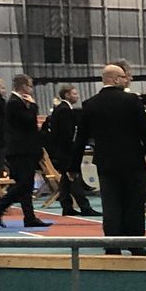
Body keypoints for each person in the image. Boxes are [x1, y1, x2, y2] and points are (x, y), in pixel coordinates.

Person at [79, 63, 146, 256]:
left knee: (111, 205)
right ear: (115, 79)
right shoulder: (131, 100)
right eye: (124, 77)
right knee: (134, 203)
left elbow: (81, 138)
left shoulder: (90, 104)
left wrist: (73, 167)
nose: (126, 80)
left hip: (106, 162)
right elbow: (145, 131)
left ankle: (112, 245)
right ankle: (135, 244)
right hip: (132, 160)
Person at [0, 74, 49, 229]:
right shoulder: (14, 103)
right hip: (21, 150)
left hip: (21, 150)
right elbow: (28, 122)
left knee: (26, 186)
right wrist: (33, 106)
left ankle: (29, 217)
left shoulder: (18, 102)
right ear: (23, 87)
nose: (31, 89)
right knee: (24, 183)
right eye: (30, 86)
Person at [44, 85, 92, 216]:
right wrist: (73, 149)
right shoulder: (64, 110)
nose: (77, 96)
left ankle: (66, 206)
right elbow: (67, 134)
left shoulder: (62, 109)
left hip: (61, 150)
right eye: (74, 94)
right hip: (65, 151)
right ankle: (85, 206)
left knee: (65, 181)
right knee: (73, 177)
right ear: (67, 95)